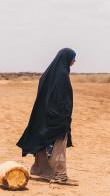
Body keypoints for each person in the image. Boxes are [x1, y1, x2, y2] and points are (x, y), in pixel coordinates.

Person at [16, 48, 78, 185]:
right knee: (59, 145)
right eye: (73, 57)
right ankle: (60, 175)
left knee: (43, 142)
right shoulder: (61, 75)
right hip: (57, 117)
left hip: (43, 115)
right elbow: (61, 99)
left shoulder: (48, 74)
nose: (74, 60)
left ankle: (41, 171)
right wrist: (64, 117)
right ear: (67, 58)